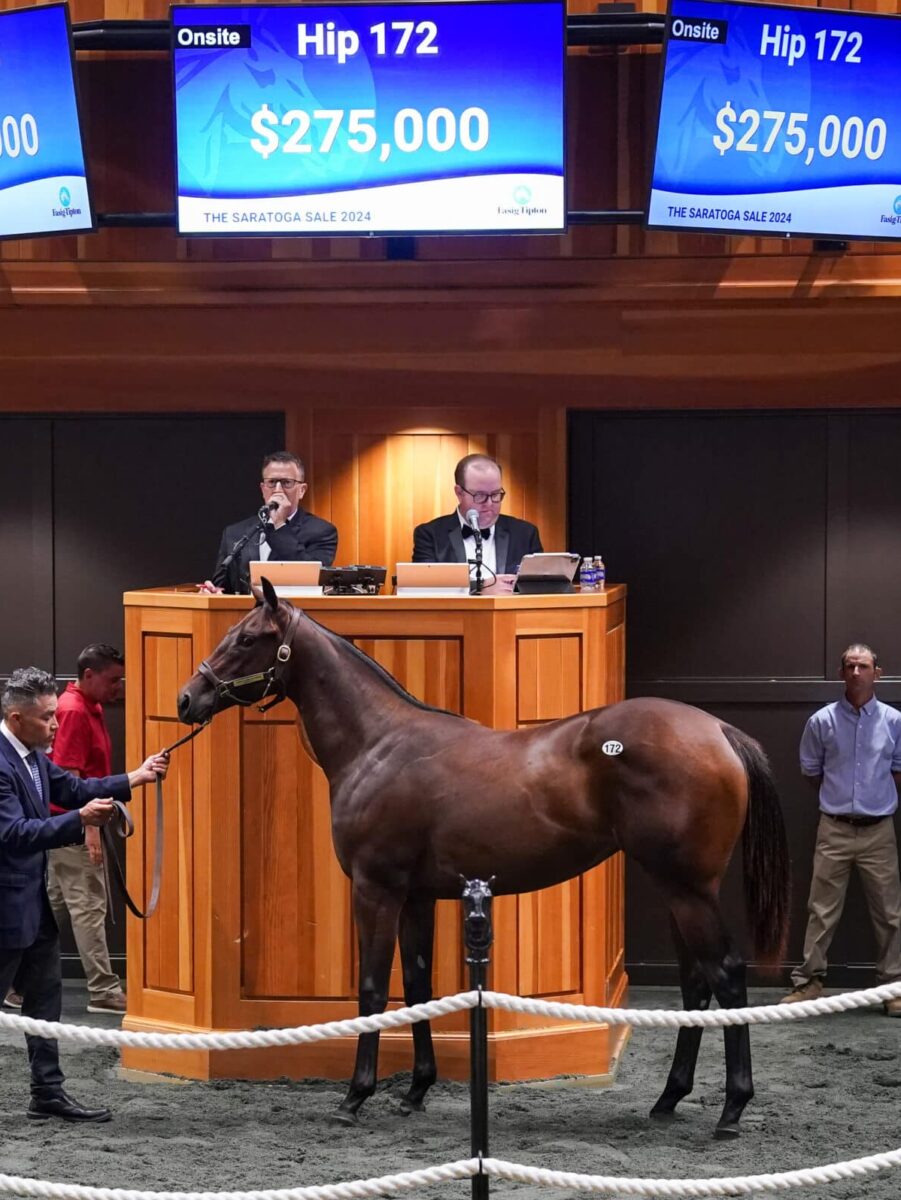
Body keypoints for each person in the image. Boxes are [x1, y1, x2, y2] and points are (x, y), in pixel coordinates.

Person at [0, 667, 168, 1121]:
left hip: (32, 907)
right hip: (6, 912)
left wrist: (134, 777)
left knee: (44, 1005)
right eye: (46, 718)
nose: (56, 725)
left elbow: (71, 787)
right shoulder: (0, 763)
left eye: (55, 715)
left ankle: (47, 1093)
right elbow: (13, 834)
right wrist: (80, 820)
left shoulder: (31, 755)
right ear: (16, 718)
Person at [781, 644, 901, 1016]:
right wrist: (841, 805)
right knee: (821, 910)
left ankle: (893, 987)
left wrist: (871, 804)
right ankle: (810, 983)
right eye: (849, 666)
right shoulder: (822, 722)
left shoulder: (894, 721)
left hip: (879, 829)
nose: (855, 673)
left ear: (876, 673)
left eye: (862, 666)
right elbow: (810, 771)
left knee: (890, 913)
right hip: (833, 828)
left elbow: (896, 769)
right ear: (840, 672)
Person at [46, 644, 127, 1015]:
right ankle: (103, 990)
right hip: (74, 826)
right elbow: (69, 776)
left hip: (66, 826)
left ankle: (14, 984)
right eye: (112, 680)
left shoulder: (87, 706)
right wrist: (89, 829)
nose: (118, 688)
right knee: (89, 906)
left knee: (54, 907)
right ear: (89, 676)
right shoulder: (74, 711)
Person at [200, 451, 338, 594]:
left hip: (294, 613)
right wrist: (213, 592)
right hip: (247, 614)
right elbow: (222, 586)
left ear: (302, 490)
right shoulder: (236, 532)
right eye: (271, 482)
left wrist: (279, 525)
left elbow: (311, 578)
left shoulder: (322, 531)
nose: (278, 490)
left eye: (286, 483)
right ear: (263, 489)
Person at [412, 454, 542, 595]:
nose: (489, 503)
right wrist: (479, 587)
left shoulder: (525, 533)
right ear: (459, 493)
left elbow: (539, 586)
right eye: (480, 495)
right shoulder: (430, 534)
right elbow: (424, 586)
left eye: (496, 494)